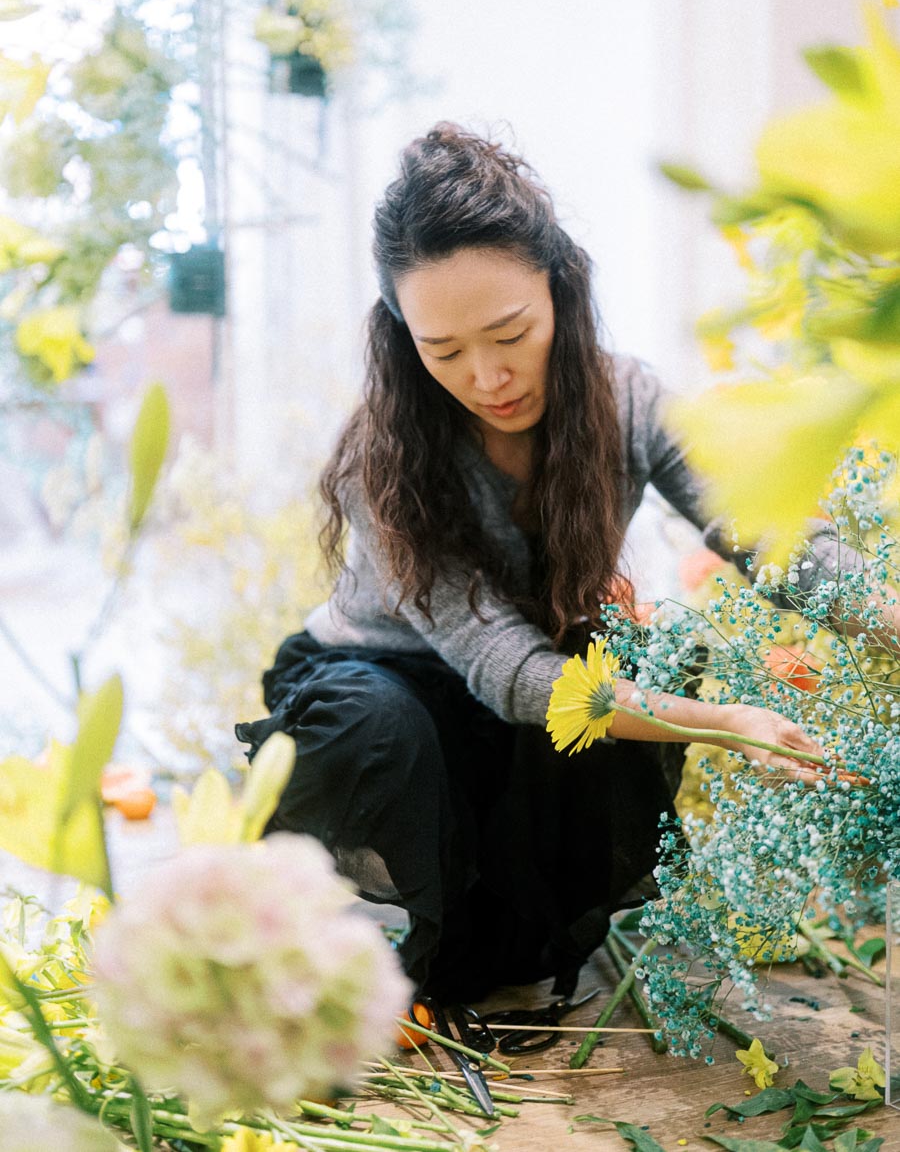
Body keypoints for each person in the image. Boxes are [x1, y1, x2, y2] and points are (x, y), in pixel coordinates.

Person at [235, 123, 843, 1002]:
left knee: (616, 691)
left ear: (559, 289)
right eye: (442, 351)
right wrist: (728, 721)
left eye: (510, 332)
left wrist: (882, 616)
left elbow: (768, 533)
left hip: (524, 691)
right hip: (384, 686)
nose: (487, 377)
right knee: (394, 734)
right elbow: (510, 673)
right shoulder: (389, 458)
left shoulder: (629, 400)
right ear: (404, 337)